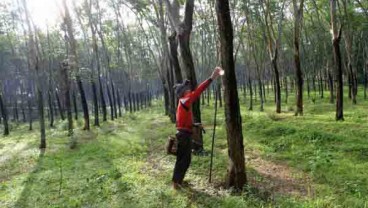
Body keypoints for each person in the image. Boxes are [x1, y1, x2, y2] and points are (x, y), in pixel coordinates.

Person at [172, 67, 222, 189]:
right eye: (187, 89)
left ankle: (177, 182)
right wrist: (212, 78)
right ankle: (176, 183)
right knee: (184, 160)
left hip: (184, 134)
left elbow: (181, 122)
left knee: (183, 159)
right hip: (184, 136)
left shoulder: (183, 103)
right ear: (183, 92)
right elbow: (199, 90)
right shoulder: (185, 100)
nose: (189, 90)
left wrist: (194, 125)